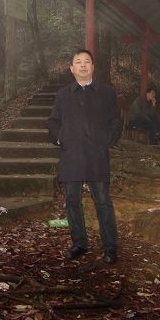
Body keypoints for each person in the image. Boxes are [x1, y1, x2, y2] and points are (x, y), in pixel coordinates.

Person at [47, 49, 123, 264]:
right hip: (72, 155)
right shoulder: (63, 94)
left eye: (87, 61)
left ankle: (110, 247)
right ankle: (79, 244)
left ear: (93, 67)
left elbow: (115, 120)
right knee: (72, 201)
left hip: (97, 155)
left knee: (103, 201)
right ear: (71, 68)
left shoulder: (106, 92)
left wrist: (108, 139)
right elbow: (53, 122)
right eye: (78, 62)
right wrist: (61, 138)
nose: (83, 65)